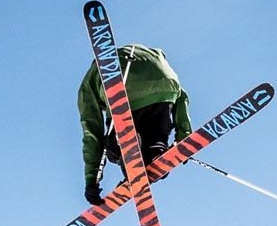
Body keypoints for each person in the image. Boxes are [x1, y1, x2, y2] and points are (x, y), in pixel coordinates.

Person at [77, 43, 191, 205]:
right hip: (165, 81)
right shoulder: (150, 56)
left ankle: (129, 155)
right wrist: (184, 135)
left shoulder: (89, 83)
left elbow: (91, 132)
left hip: (126, 85)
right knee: (155, 137)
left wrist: (91, 179)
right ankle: (154, 153)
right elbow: (181, 96)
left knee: (112, 148)